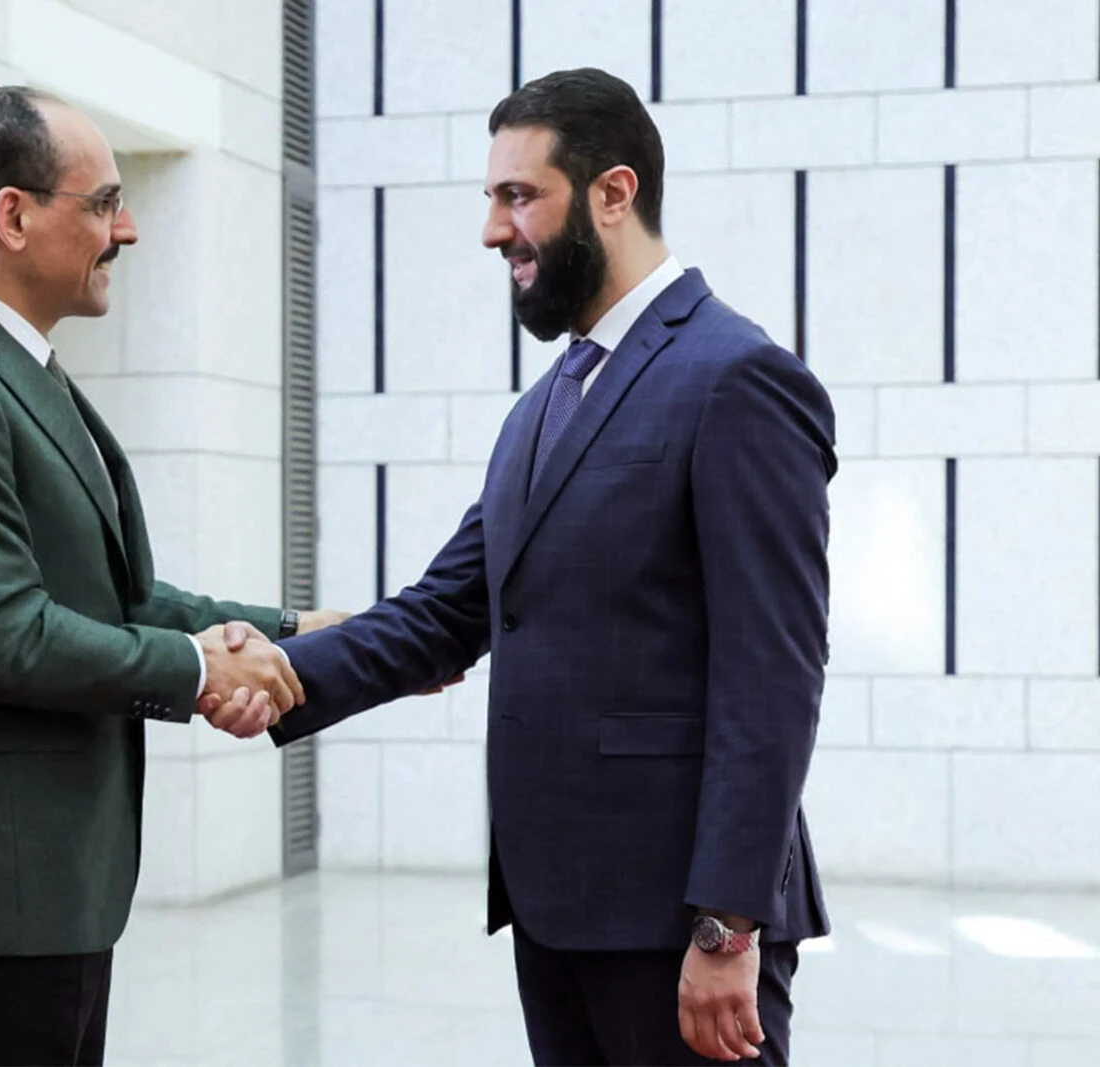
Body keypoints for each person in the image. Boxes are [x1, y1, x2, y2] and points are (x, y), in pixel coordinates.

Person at [234, 68, 837, 1065]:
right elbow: (445, 609)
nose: (492, 230)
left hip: (679, 920)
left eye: (518, 197)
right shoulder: (543, 407)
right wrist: (275, 666)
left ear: (613, 192)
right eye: (490, 200)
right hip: (555, 911)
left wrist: (726, 923)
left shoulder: (737, 378)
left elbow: (771, 676)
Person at [0, 85, 338, 1067]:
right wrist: (198, 672)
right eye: (104, 202)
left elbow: (118, 599)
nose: (129, 227)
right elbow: (0, 638)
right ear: (12, 216)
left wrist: (293, 630)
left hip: (40, 881)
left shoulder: (16, 370)